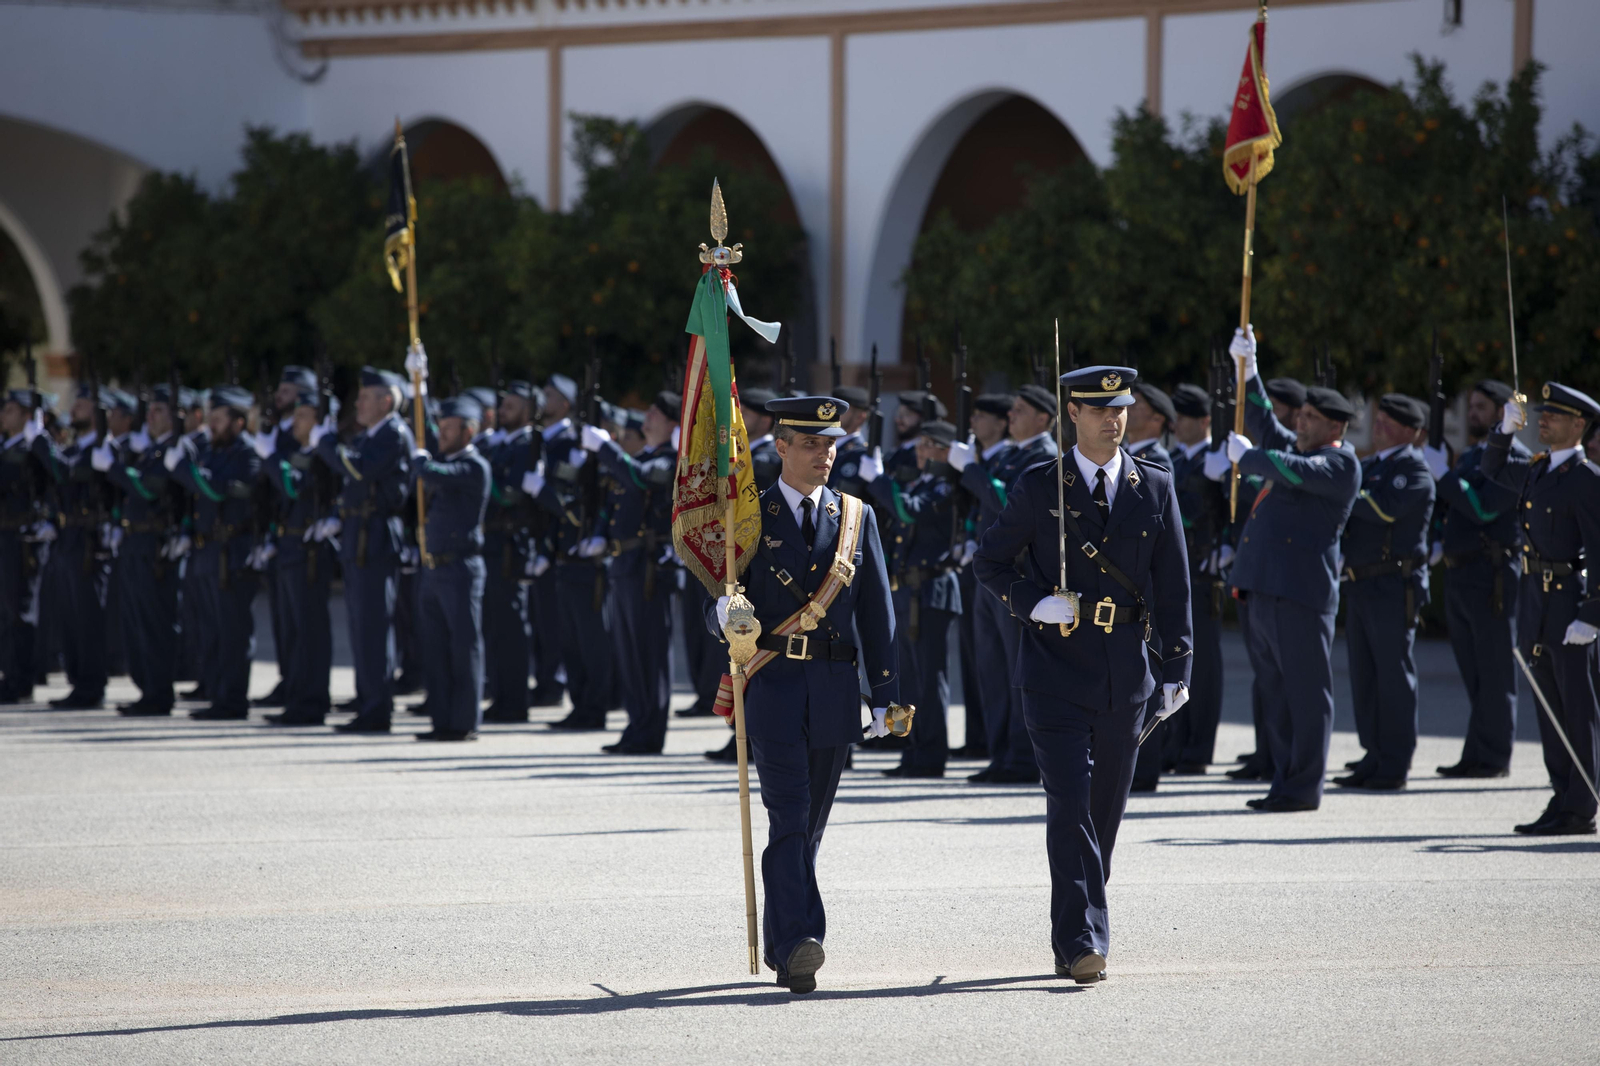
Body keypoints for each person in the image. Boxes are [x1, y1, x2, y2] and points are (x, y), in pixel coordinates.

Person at [972, 364, 1191, 985]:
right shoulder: (1041, 483)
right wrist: (1031, 602)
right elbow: (990, 561)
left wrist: (1177, 667)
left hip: (1125, 673)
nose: (1113, 419)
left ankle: (1078, 925)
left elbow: (1174, 584)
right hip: (1054, 669)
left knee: (1104, 813)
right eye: (1099, 409)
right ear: (1072, 413)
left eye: (1120, 408)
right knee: (1070, 804)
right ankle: (1082, 939)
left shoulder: (1154, 485)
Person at [707, 394, 898, 994]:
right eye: (810, 444)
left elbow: (878, 613)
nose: (824, 454)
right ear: (780, 446)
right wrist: (723, 615)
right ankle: (798, 943)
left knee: (809, 825)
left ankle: (783, 941)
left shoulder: (855, 517)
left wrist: (885, 693)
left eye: (830, 444)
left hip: (835, 689)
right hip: (773, 685)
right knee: (788, 815)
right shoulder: (749, 516)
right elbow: (718, 596)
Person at [1224, 327, 1360, 812]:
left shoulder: (1340, 464)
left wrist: (1250, 458)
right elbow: (1264, 422)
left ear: (1335, 427)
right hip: (1264, 589)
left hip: (1300, 595)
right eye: (1300, 415)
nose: (1300, 423)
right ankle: (1283, 781)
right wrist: (1249, 371)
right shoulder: (1300, 449)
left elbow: (1290, 468)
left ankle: (1303, 787)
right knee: (1276, 695)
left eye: (1311, 418)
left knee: (1305, 697)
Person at [1481, 382, 1600, 836]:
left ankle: (1581, 805)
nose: (1543, 419)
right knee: (1549, 708)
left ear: (1579, 425)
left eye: (1555, 415)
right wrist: (1503, 432)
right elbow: (1493, 468)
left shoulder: (1587, 480)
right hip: (1536, 599)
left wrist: (1592, 614)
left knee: (1577, 709)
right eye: (1542, 412)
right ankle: (1561, 794)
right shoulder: (1537, 469)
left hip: (1569, 601)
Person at [952, 384, 1060, 784]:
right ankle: (1001, 754)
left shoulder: (1044, 456)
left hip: (1020, 576)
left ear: (1043, 419)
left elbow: (1005, 504)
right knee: (993, 669)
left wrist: (972, 470)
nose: (1010, 416)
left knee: (1017, 670)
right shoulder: (1013, 455)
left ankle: (1023, 757)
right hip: (994, 574)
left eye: (1019, 410)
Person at [1333, 395, 1436, 791]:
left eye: (1389, 422)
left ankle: (1394, 762)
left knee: (1392, 676)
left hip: (1392, 585)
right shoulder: (1371, 466)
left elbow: (1383, 510)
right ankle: (1374, 754)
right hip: (1362, 583)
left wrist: (1344, 491)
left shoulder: (1413, 469)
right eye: (1378, 419)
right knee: (1366, 677)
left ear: (1411, 431)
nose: (1378, 426)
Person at [1429, 380, 1525, 778]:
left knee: (1494, 670)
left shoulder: (1515, 459)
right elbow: (1449, 508)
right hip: (1462, 573)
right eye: (1471, 407)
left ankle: (1495, 756)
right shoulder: (1471, 456)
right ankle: (1476, 751)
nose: (1473, 414)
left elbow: (1483, 508)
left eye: (1481, 407)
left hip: (1492, 575)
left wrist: (1444, 476)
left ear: (1503, 413)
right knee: (1473, 672)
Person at [314, 366, 415, 734]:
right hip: (359, 533)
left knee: (373, 626)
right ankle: (368, 699)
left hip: (375, 537)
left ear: (386, 401)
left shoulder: (392, 434)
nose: (358, 404)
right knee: (360, 626)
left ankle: (377, 709)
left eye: (366, 397)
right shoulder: (372, 434)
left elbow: (359, 471)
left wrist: (327, 444)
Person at [860, 418, 960, 778]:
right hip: (906, 590)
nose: (921, 451)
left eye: (930, 445)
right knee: (906, 679)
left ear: (946, 452)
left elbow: (907, 510)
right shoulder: (918, 482)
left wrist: (879, 480)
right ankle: (911, 747)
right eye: (920, 444)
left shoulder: (945, 486)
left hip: (930, 592)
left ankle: (930, 754)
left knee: (928, 681)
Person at [588, 391, 680, 754]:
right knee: (629, 653)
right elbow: (614, 500)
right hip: (626, 565)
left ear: (672, 423)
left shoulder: (671, 459)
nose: (648, 416)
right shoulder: (641, 458)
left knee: (648, 654)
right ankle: (636, 725)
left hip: (649, 568)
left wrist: (605, 449)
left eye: (656, 412)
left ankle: (649, 732)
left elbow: (643, 480)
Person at [164, 386, 262, 720]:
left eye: (218, 419)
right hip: (209, 551)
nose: (211, 425)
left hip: (232, 553)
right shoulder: (214, 451)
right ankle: (216, 692)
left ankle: (232, 700)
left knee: (232, 631)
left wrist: (183, 468)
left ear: (238, 422)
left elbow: (217, 490)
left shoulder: (247, 452)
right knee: (211, 630)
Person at [530, 374, 615, 731]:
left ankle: (594, 708)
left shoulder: (584, 455)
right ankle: (580, 705)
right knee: (570, 641)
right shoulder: (565, 448)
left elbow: (575, 505)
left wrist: (544, 491)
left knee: (591, 642)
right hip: (566, 559)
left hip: (587, 563)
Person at [100, 384, 186, 717]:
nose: (151, 416)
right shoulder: (151, 452)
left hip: (154, 546)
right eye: (150, 410)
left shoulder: (173, 450)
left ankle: (158, 692)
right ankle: (147, 688)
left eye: (159, 410)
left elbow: (148, 489)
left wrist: (115, 468)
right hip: (136, 542)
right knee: (136, 620)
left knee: (154, 621)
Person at [411, 395, 492, 742]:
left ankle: (463, 721)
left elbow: (439, 472)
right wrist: (419, 394)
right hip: (434, 568)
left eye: (449, 428)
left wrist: (423, 464)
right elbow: (428, 445)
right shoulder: (444, 460)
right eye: (441, 426)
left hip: (460, 568)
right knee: (435, 648)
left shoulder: (474, 466)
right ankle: (441, 719)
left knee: (463, 647)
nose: (441, 433)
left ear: (468, 432)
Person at [260, 388, 338, 726]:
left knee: (309, 630)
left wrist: (270, 458)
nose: (295, 421)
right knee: (292, 631)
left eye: (303, 416)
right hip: (289, 547)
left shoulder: (322, 455)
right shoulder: (299, 452)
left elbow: (295, 487)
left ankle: (311, 702)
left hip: (309, 552)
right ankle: (296, 697)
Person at [946, 391, 1014, 763]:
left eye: (981, 416)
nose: (973, 423)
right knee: (984, 663)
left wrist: (971, 470)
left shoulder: (1012, 458)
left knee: (1006, 665)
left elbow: (1002, 502)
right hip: (982, 567)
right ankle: (991, 745)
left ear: (1002, 423)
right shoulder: (987, 458)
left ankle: (1012, 752)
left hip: (1007, 571)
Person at [1165, 383, 1229, 772]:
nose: (1176, 424)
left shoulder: (1216, 460)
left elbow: (1220, 512)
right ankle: (1174, 743)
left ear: (1205, 421)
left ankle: (1198, 749)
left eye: (1184, 417)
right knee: (1174, 662)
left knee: (1202, 670)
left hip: (1205, 573)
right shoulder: (1175, 458)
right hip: (1178, 570)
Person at [42, 386, 112, 709]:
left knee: (87, 617)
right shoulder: (74, 449)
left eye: (81, 405)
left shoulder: (101, 450)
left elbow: (66, 473)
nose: (74, 410)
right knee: (70, 617)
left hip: (88, 541)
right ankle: (78, 682)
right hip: (68, 538)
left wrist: (41, 442)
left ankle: (91, 686)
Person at [1125, 381, 1177, 792]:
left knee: (1149, 673)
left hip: (1147, 586)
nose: (1128, 409)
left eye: (1137, 404)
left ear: (1157, 418)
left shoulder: (1156, 465)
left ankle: (1144, 766)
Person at [480, 381, 541, 724]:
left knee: (511, 626)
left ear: (528, 411)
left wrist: (483, 470)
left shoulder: (526, 444)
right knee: (494, 624)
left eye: (511, 406)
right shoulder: (498, 444)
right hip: (491, 543)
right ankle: (500, 696)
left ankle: (515, 701)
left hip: (510, 545)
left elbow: (510, 494)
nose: (503, 411)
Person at [0, 389, 53, 705]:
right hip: (4, 534)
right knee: (5, 612)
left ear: (26, 415)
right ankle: (9, 674)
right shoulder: (6, 448)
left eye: (10, 410)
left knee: (20, 609)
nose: (3, 415)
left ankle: (21, 680)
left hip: (23, 537)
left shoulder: (33, 448)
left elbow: (55, 480)